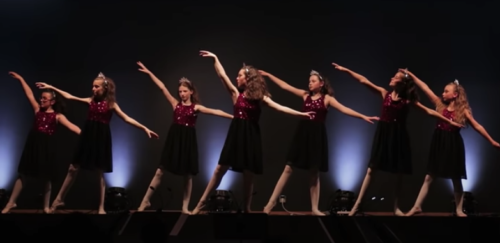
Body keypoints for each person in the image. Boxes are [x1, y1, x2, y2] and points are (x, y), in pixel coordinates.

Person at [190, 50, 315, 215]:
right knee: (220, 169)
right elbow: (222, 75)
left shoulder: (260, 98)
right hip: (236, 133)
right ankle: (200, 204)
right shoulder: (236, 94)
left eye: (239, 75)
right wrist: (215, 58)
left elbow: (280, 108)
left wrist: (301, 114)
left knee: (248, 174)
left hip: (251, 135)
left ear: (247, 78)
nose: (236, 78)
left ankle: (247, 208)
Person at [331, 63, 463, 216]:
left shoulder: (407, 101)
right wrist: (346, 70)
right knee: (371, 169)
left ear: (402, 83)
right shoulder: (384, 93)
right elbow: (363, 81)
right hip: (384, 133)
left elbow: (428, 112)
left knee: (399, 173)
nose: (392, 78)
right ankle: (357, 206)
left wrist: (450, 122)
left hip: (399, 136)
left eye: (395, 77)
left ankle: (396, 207)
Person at [259, 69, 379, 215]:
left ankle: (314, 208)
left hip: (317, 136)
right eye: (309, 81)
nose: (310, 83)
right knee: (288, 168)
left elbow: (344, 109)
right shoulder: (305, 95)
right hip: (302, 134)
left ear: (321, 84)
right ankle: (271, 203)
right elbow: (285, 86)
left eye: (313, 81)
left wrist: (363, 116)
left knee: (314, 172)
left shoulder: (327, 99)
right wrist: (269, 75)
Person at [36, 73, 159, 214]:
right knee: (73, 168)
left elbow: (127, 119)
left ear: (105, 88)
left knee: (100, 172)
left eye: (96, 86)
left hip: (101, 137)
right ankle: (59, 199)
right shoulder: (90, 101)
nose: (93, 89)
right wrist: (51, 87)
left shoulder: (111, 105)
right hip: (88, 135)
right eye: (92, 86)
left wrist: (144, 128)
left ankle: (101, 207)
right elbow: (70, 97)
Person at [135, 61, 233, 214]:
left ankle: (185, 206)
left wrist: (232, 117)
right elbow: (162, 87)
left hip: (187, 141)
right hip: (174, 139)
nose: (181, 94)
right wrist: (149, 73)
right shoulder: (175, 105)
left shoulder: (196, 108)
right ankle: (145, 201)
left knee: (187, 175)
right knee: (160, 171)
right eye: (180, 91)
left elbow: (215, 111)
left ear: (191, 92)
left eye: (184, 91)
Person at [403, 70, 500, 217]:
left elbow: (477, 126)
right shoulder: (439, 105)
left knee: (456, 177)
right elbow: (425, 87)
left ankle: (459, 209)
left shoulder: (464, 111)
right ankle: (417, 206)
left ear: (455, 95)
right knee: (429, 176)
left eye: (446, 91)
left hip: (453, 143)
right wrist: (412, 75)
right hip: (439, 141)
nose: (443, 93)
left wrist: (492, 141)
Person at [1, 72, 81, 214]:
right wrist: (21, 79)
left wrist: (86, 136)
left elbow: (73, 127)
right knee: (23, 174)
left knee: (47, 177)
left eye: (45, 98)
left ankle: (46, 207)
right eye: (41, 98)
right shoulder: (37, 110)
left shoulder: (58, 116)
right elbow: (29, 94)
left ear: (52, 102)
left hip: (47, 147)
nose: (41, 100)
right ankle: (11, 202)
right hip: (33, 145)